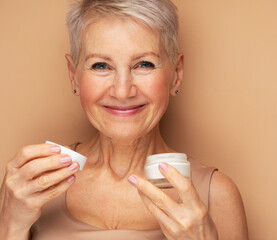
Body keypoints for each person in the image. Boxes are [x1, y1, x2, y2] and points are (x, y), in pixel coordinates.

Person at [0, 0, 248, 239]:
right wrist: (10, 226)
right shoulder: (32, 185)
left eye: (144, 64)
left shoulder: (216, 196)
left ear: (177, 74)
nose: (122, 91)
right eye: (100, 66)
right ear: (73, 75)